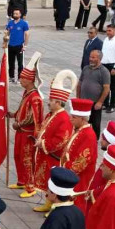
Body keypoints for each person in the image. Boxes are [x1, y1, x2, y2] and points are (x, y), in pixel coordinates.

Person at [32, 73, 75, 212]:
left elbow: (61, 140)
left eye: (51, 100)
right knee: (47, 181)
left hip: (54, 156)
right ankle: (47, 203)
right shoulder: (51, 114)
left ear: (58, 102)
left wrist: (43, 144)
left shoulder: (64, 118)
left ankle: (54, 206)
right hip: (46, 155)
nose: (48, 102)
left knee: (54, 182)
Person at [8, 60, 44, 198]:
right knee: (17, 156)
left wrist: (19, 124)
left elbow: (32, 117)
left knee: (27, 159)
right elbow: (22, 109)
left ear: (30, 80)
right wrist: (13, 115)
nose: (21, 80)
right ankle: (21, 180)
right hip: (20, 132)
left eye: (23, 78)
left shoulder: (35, 97)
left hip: (28, 134)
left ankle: (30, 187)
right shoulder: (26, 93)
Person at [79, 122, 115, 215]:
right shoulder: (113, 158)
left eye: (103, 138)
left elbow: (113, 185)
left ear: (110, 142)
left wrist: (94, 193)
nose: (101, 141)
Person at [76, 50, 110, 137]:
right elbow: (79, 84)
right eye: (90, 57)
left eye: (93, 57)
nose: (90, 59)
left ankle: (94, 139)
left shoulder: (104, 71)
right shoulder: (85, 68)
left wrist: (100, 102)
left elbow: (106, 89)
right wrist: (78, 98)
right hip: (83, 102)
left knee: (95, 123)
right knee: (82, 121)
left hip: (95, 103)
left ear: (99, 59)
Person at [100, 24, 115, 113]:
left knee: (113, 86)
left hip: (112, 65)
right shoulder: (106, 39)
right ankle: (105, 103)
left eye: (110, 31)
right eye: (107, 31)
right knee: (104, 85)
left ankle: (112, 105)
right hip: (104, 64)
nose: (108, 32)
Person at [5, 9, 29, 82]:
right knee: (11, 62)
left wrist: (25, 45)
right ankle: (11, 77)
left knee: (20, 63)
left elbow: (27, 34)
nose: (15, 15)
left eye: (17, 14)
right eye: (14, 13)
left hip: (19, 46)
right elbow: (7, 33)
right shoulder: (10, 23)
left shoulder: (24, 23)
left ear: (20, 15)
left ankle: (20, 77)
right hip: (11, 45)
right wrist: (5, 41)